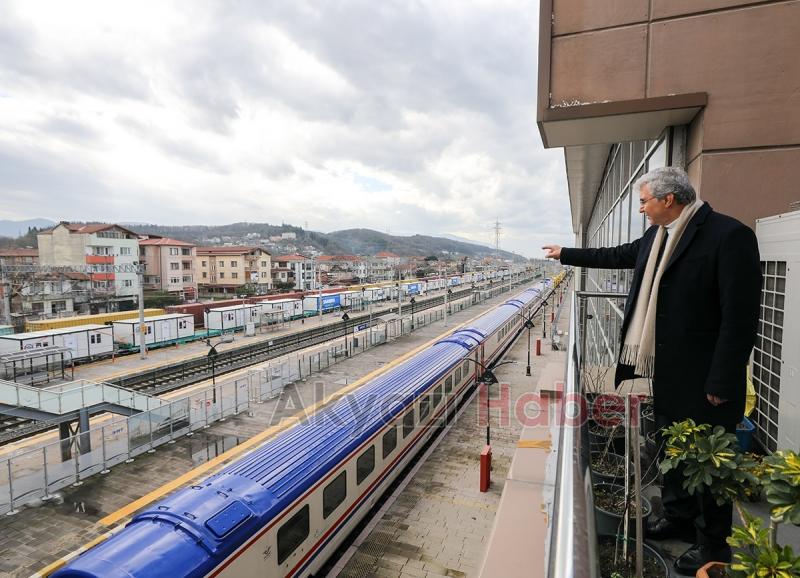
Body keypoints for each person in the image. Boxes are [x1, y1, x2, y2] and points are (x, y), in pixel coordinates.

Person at [543, 166, 761, 574]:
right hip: (668, 369)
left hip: (707, 377)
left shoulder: (728, 236)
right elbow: (616, 255)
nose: (640, 208)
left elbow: (741, 318)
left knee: (707, 463)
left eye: (644, 201)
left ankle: (713, 546)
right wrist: (566, 254)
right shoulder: (656, 237)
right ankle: (676, 515)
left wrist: (723, 378)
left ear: (668, 200)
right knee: (673, 448)